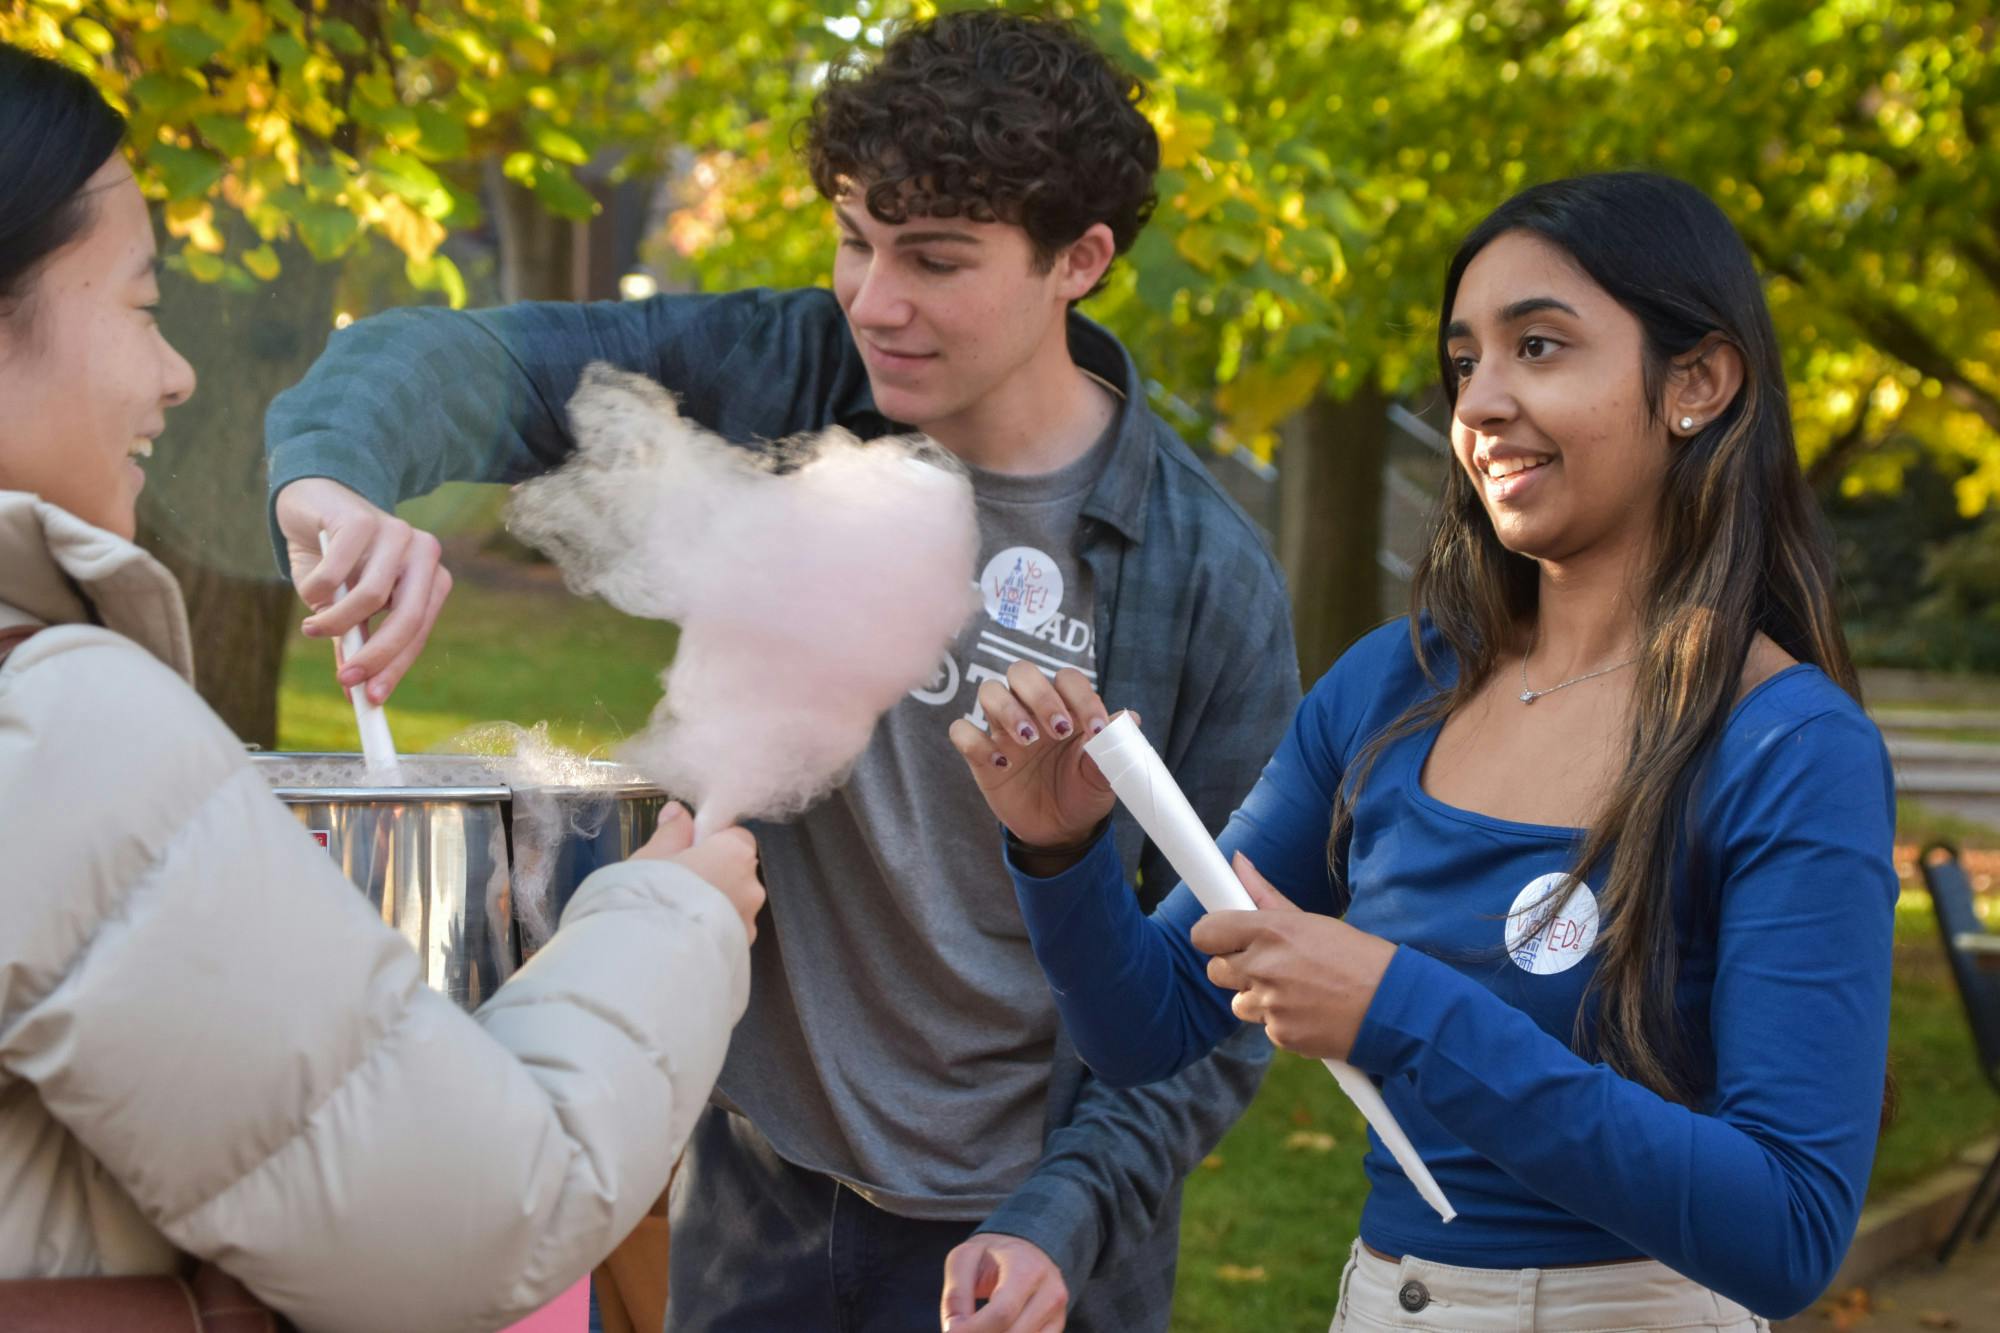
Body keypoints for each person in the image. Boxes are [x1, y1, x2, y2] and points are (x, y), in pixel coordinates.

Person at [263, 10, 1298, 1330]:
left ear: (1078, 261)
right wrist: (334, 481)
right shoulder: (790, 369)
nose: (874, 298)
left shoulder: (1202, 578)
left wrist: (1062, 1218)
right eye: (856, 240)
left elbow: (1222, 976)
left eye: (935, 259)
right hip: (754, 1198)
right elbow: (459, 360)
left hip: (1025, 1243)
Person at [957, 172, 1897, 1330]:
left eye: (1539, 347)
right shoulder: (1390, 688)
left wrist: (1401, 1008)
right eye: (1464, 364)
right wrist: (1058, 856)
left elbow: (1788, 1228)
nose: (1481, 402)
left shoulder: (1788, 749)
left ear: (1694, 383)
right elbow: (1150, 1025)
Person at [0, 42, 764, 1333]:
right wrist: (670, 921)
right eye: (138, 306)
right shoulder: (53, 726)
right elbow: (479, 1226)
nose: (176, 373)